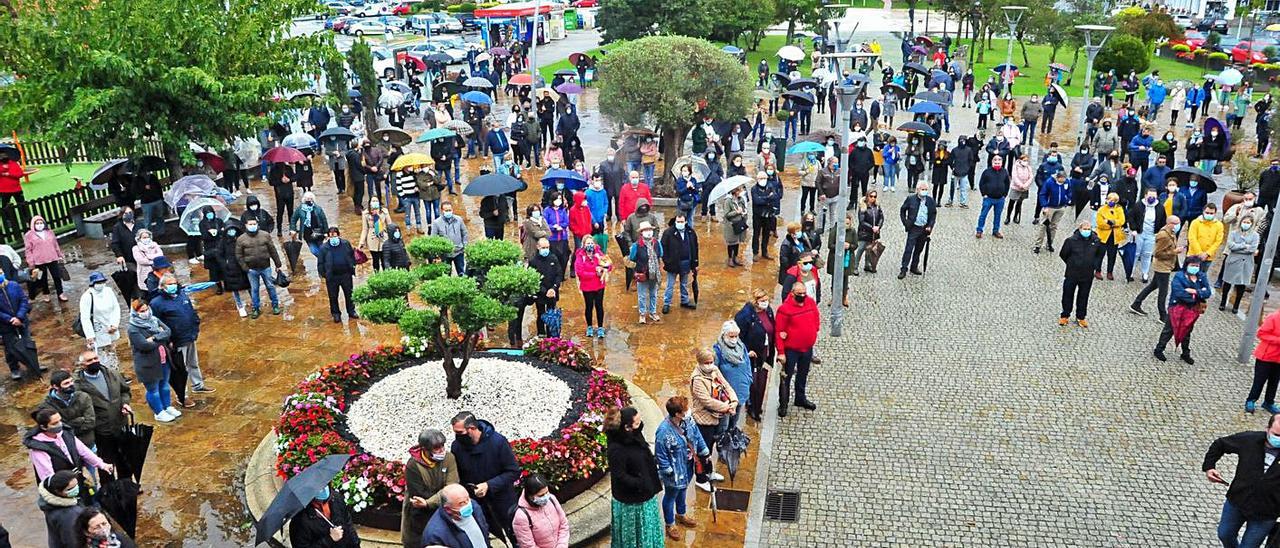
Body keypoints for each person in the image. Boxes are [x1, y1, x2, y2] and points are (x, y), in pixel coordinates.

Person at [1202, 415, 1280, 548]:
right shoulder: (1249, 440)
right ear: (1267, 429)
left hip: (1267, 512)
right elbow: (1220, 444)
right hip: (1238, 500)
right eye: (1277, 434)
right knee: (1224, 534)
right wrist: (1209, 468)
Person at [450, 412, 521, 547]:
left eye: (460, 432)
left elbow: (513, 471)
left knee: (516, 537)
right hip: (478, 505)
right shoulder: (457, 447)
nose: (457, 436)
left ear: (471, 428)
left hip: (503, 501)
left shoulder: (498, 442)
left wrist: (489, 485)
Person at [605, 406, 664, 548]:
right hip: (632, 502)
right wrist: (640, 483)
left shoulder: (634, 434)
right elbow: (619, 475)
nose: (640, 424)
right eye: (637, 423)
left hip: (645, 495)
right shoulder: (616, 449)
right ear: (627, 427)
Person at [150, 273, 213, 402]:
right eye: (170, 284)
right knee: (180, 368)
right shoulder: (156, 303)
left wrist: (195, 325)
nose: (173, 286)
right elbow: (156, 325)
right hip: (175, 341)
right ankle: (182, 395)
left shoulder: (181, 295)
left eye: (174, 283)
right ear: (162, 286)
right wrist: (168, 340)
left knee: (193, 362)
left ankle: (198, 385)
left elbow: (190, 311)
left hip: (189, 335)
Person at [653, 396, 708, 540]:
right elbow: (660, 454)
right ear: (677, 414)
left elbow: (696, 435)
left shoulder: (688, 421)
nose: (688, 411)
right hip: (674, 471)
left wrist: (704, 451)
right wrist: (668, 471)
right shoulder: (663, 432)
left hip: (688, 465)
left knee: (683, 489)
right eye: (685, 409)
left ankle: (681, 514)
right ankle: (670, 523)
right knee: (671, 495)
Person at [73, 350, 131, 478]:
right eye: (89, 360)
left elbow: (125, 391)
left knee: (125, 458)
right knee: (106, 461)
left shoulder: (113, 374)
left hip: (121, 423)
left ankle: (126, 485)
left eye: (95, 358)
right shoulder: (77, 385)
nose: (94, 362)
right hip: (101, 430)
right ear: (82, 365)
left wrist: (125, 403)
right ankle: (109, 490)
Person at [23, 408, 113, 485]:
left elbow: (84, 451)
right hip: (62, 488)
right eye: (54, 423)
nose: (59, 424)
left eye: (60, 420)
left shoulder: (66, 434)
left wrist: (102, 465)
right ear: (43, 427)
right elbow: (47, 477)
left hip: (77, 478)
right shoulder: (38, 448)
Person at [401, 428, 459, 548]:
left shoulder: (449, 458)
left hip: (442, 508)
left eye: (443, 446)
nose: (442, 451)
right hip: (420, 515)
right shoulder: (413, 465)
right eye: (437, 448)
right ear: (425, 449)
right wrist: (440, 497)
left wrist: (429, 502)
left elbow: (452, 486)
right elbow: (419, 493)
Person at [689, 347, 736, 492]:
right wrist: (726, 407)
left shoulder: (714, 370)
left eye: (712, 361)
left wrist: (733, 400)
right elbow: (706, 401)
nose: (710, 364)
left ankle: (709, 472)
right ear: (700, 363)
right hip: (704, 420)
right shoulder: (697, 379)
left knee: (711, 447)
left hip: (717, 417)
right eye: (707, 362)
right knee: (703, 451)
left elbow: (726, 385)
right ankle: (701, 478)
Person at [1154, 255, 1212, 364]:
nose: (1195, 267)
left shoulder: (1202, 276)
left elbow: (1208, 292)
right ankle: (1159, 349)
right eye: (1192, 265)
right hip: (1177, 307)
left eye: (1197, 265)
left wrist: (1195, 292)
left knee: (1187, 331)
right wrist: (1197, 296)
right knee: (1169, 329)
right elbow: (1179, 293)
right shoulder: (1179, 277)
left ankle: (1185, 353)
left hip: (1192, 310)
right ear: (1187, 265)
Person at [126, 300, 177, 422]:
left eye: (146, 309)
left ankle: (167, 406)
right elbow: (144, 345)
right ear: (135, 313)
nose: (145, 313)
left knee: (164, 386)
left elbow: (168, 331)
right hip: (148, 364)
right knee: (153, 390)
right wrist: (161, 337)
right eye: (141, 311)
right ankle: (158, 411)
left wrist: (154, 337)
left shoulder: (154, 319)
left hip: (163, 360)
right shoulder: (133, 328)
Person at [775, 281, 819, 416]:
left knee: (803, 375)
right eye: (799, 293)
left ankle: (800, 398)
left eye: (804, 293)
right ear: (792, 293)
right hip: (791, 350)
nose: (802, 295)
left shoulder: (810, 302)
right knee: (786, 377)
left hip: (807, 348)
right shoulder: (784, 309)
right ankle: (783, 404)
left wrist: (815, 330)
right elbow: (779, 331)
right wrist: (781, 352)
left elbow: (816, 317)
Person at [234, 218, 285, 318]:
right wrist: (245, 268)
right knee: (255, 289)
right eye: (250, 224)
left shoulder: (265, 235)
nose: (252, 225)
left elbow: (272, 250)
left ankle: (275, 305)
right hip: (251, 269)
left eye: (254, 223)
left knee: (270, 287)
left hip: (265, 267)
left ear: (257, 224)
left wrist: (277, 264)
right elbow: (239, 255)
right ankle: (256, 308)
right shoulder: (241, 239)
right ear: (246, 225)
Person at [37, 370, 97, 450]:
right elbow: (55, 429)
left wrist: (68, 425)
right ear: (55, 386)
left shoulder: (83, 397)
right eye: (66, 383)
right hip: (66, 448)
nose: (71, 385)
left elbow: (90, 422)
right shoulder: (46, 406)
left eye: (71, 381)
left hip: (88, 444)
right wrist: (80, 421)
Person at [1057, 222, 1102, 327]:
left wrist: (1093, 265)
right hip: (1072, 273)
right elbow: (1063, 254)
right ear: (1080, 229)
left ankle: (1081, 317)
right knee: (1068, 294)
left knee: (1084, 296)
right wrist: (1072, 263)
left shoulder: (1096, 241)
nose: (1087, 230)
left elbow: (1099, 255)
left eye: (1089, 229)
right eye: (1085, 228)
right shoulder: (1071, 241)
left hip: (1087, 274)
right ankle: (1065, 315)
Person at [288, 483, 360, 548]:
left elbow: (348, 523)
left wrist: (356, 544)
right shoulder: (300, 520)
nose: (323, 488)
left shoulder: (336, 498)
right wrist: (330, 539)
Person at [0, 252, 36, 380]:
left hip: (21, 320)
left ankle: (33, 364)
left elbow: (23, 300)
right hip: (5, 325)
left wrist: (20, 317)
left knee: (28, 342)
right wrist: (10, 319)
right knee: (10, 348)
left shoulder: (13, 286)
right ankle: (14, 368)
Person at [422, 483, 491, 548]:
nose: (468, 504)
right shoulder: (435, 534)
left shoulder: (474, 506)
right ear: (448, 509)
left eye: (468, 498)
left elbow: (484, 528)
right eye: (461, 503)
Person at [512, 473, 571, 548]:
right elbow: (528, 545)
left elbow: (564, 524)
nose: (546, 497)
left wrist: (561, 545)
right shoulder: (521, 517)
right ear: (530, 496)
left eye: (547, 492)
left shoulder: (551, 499)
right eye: (541, 495)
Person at [79, 272, 123, 370]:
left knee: (112, 352)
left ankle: (116, 374)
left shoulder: (108, 291)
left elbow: (116, 308)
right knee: (101, 355)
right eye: (98, 282)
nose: (101, 284)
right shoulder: (87, 297)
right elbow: (85, 318)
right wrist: (90, 335)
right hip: (97, 330)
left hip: (111, 327)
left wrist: (114, 324)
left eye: (102, 281)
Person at [318, 226, 359, 323]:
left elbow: (351, 256)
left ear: (339, 235)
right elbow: (320, 263)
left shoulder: (345, 244)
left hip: (345, 275)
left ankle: (351, 311)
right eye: (331, 237)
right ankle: (336, 313)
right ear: (328, 237)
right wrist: (326, 274)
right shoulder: (324, 248)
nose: (333, 239)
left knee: (349, 294)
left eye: (335, 236)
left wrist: (352, 266)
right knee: (333, 296)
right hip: (332, 277)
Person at [1220, 216, 1259, 314]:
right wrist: (1244, 246)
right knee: (1227, 282)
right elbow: (1231, 245)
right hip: (1233, 261)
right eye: (1244, 221)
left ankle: (1236, 305)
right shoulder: (1233, 233)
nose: (1246, 224)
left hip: (1246, 263)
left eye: (1248, 222)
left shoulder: (1255, 235)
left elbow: (1253, 249)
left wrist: (1240, 247)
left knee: (1241, 285)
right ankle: (1223, 302)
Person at [898, 182, 937, 279]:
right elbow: (903, 210)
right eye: (922, 189)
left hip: (924, 229)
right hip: (914, 228)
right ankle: (903, 269)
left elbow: (933, 215)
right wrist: (906, 222)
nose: (924, 191)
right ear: (917, 190)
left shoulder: (930, 201)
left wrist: (930, 226)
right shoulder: (911, 199)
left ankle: (914, 267)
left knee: (919, 249)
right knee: (909, 249)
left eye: (925, 189)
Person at [24, 215, 67, 302]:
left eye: (41, 223)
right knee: (42, 278)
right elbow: (28, 250)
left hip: (52, 258)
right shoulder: (29, 235)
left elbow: (55, 244)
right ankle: (46, 293)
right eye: (37, 223)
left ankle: (60, 293)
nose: (39, 225)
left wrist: (60, 254)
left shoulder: (50, 232)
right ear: (33, 224)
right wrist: (30, 262)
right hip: (39, 261)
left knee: (57, 276)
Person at [660, 215, 698, 314]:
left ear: (685, 222)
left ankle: (684, 301)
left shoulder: (690, 232)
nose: (679, 223)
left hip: (686, 262)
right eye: (678, 221)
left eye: (681, 221)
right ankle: (667, 303)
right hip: (672, 264)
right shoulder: (668, 233)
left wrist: (695, 263)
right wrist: (666, 261)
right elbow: (663, 248)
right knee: (670, 285)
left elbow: (695, 248)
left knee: (684, 283)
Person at [575, 237, 611, 339]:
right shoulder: (580, 256)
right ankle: (589, 326)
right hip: (587, 286)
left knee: (599, 306)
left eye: (591, 243)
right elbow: (580, 272)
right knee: (589, 306)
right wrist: (595, 273)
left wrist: (604, 269)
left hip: (599, 285)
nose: (590, 245)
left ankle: (600, 327)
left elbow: (609, 265)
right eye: (587, 243)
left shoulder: (599, 254)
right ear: (583, 244)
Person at [38, 469, 84, 548]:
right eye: (70, 489)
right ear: (58, 491)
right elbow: (73, 542)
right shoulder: (69, 515)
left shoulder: (49, 504)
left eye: (76, 485)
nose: (76, 489)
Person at [629, 221, 663, 324]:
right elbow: (632, 257)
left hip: (654, 273)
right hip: (642, 273)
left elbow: (660, 254)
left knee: (653, 294)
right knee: (642, 295)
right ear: (641, 232)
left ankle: (653, 312)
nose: (648, 232)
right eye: (646, 230)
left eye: (650, 230)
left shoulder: (657, 243)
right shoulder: (637, 245)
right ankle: (642, 314)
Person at [528, 238, 563, 337]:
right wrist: (544, 291)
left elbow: (559, 274)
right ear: (538, 247)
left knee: (551, 314)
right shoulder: (533, 261)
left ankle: (551, 335)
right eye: (543, 247)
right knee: (541, 314)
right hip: (540, 294)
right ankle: (541, 333)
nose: (546, 249)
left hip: (552, 293)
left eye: (547, 247)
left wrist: (554, 288)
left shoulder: (553, 258)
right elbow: (532, 279)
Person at [1248, 309, 1280, 414]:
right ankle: (1251, 400)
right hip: (1265, 357)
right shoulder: (1273, 317)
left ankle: (1268, 402)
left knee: (1274, 382)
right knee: (1259, 381)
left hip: (1278, 359)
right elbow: (1261, 334)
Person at [1034, 172, 1072, 254]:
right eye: (1061, 179)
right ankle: (1038, 245)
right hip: (1050, 207)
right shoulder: (1049, 182)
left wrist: (1067, 201)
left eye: (1064, 179)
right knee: (1043, 226)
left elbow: (1069, 192)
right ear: (1058, 178)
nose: (1063, 181)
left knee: (1054, 226)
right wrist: (1045, 206)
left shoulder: (1067, 182)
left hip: (1060, 207)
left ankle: (1049, 244)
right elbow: (1043, 194)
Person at [1094, 192, 1127, 280]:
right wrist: (1112, 223)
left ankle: (1110, 272)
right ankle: (1097, 271)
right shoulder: (1102, 209)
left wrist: (1110, 222)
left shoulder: (1119, 209)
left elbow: (1122, 221)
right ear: (1107, 200)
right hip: (1103, 236)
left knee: (1112, 255)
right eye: (1110, 200)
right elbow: (1100, 223)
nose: (1112, 201)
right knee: (1100, 254)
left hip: (1114, 236)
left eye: (1114, 200)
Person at [975, 155, 1010, 238]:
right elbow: (981, 183)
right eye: (995, 162)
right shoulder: (987, 171)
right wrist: (984, 194)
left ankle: (996, 231)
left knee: (998, 216)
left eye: (999, 162)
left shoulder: (1004, 172)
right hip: (988, 198)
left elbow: (1007, 184)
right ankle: (979, 230)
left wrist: (1005, 195)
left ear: (1002, 163)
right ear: (992, 162)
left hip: (1000, 199)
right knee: (983, 215)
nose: (997, 163)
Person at [430, 202, 468, 275]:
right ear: (442, 211)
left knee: (461, 273)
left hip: (459, 251)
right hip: (445, 254)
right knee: (446, 274)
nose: (448, 212)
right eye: (446, 210)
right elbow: (433, 239)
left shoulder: (459, 219)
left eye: (449, 210)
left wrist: (464, 245)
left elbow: (464, 233)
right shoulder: (436, 223)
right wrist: (437, 254)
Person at [750, 171, 781, 259]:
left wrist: (764, 199)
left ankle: (764, 251)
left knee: (766, 234)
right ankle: (755, 252)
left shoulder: (770, 187)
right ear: (757, 179)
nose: (763, 180)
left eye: (765, 178)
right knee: (756, 233)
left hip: (768, 214)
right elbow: (757, 201)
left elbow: (775, 197)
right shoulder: (754, 189)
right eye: (761, 178)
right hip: (757, 215)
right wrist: (768, 198)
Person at [721, 185, 750, 267]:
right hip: (731, 225)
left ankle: (735, 257)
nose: (741, 192)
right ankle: (730, 258)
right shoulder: (728, 201)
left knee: (737, 241)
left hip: (739, 223)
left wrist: (743, 212)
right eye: (739, 190)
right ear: (735, 191)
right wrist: (736, 212)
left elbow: (744, 209)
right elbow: (726, 214)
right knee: (731, 242)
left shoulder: (741, 199)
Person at [358, 198, 391, 271]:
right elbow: (365, 229)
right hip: (372, 239)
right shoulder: (366, 213)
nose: (375, 202)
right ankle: (377, 276)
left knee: (384, 260)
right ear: (370, 203)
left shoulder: (384, 211)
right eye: (373, 201)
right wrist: (361, 242)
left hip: (383, 238)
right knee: (375, 260)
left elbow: (390, 225)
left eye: (376, 201)